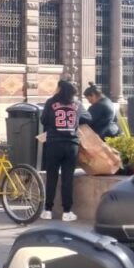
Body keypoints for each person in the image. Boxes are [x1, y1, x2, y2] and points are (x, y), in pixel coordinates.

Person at [40, 80, 90, 222]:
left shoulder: (51, 102)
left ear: (60, 88)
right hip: (71, 145)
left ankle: (48, 210)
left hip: (54, 144)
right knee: (68, 179)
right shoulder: (77, 104)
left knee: (52, 177)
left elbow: (43, 120)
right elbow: (88, 118)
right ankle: (67, 212)